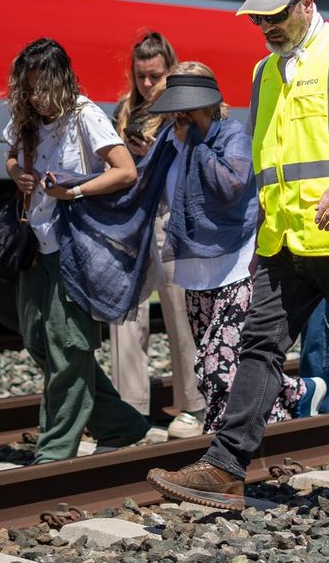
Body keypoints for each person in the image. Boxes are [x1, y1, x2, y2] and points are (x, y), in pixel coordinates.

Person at [148, 0, 329, 510]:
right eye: (257, 19)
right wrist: (260, 230)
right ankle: (225, 467)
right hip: (285, 241)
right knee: (259, 346)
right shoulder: (264, 73)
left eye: (275, 16)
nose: (265, 27)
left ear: (306, 3)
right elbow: (270, 161)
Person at [146, 62, 324, 429]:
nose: (181, 117)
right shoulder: (170, 142)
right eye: (177, 110)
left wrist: (196, 143)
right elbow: (141, 181)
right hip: (193, 274)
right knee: (225, 366)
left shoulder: (232, 138)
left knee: (217, 367)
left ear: (209, 106)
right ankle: (294, 394)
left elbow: (230, 186)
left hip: (235, 270)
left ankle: (220, 450)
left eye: (188, 109)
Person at [4, 38, 151, 463]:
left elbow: (125, 171)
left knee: (68, 346)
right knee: (37, 339)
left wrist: (78, 190)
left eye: (45, 89)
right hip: (36, 243)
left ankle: (54, 452)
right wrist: (19, 174)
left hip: (74, 245)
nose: (38, 99)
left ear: (63, 82)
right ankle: (120, 424)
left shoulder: (86, 116)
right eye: (30, 89)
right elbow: (10, 157)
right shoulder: (28, 119)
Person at [107, 31, 205, 439]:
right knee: (126, 313)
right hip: (132, 220)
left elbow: (201, 167)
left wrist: (153, 154)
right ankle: (128, 407)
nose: (147, 84)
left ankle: (193, 406)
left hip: (170, 218)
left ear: (171, 71)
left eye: (155, 75)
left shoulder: (183, 112)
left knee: (180, 310)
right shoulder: (124, 110)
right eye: (141, 76)